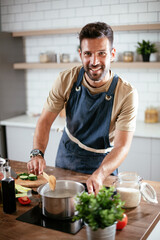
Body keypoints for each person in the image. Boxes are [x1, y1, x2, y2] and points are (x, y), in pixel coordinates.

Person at [27, 22, 138, 195]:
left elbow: (122, 146)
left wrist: (100, 174)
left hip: (103, 164)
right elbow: (45, 121)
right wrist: (37, 153)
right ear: (80, 54)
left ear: (112, 54)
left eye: (101, 53)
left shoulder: (126, 93)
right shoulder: (66, 79)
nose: (94, 62)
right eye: (88, 54)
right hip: (67, 158)